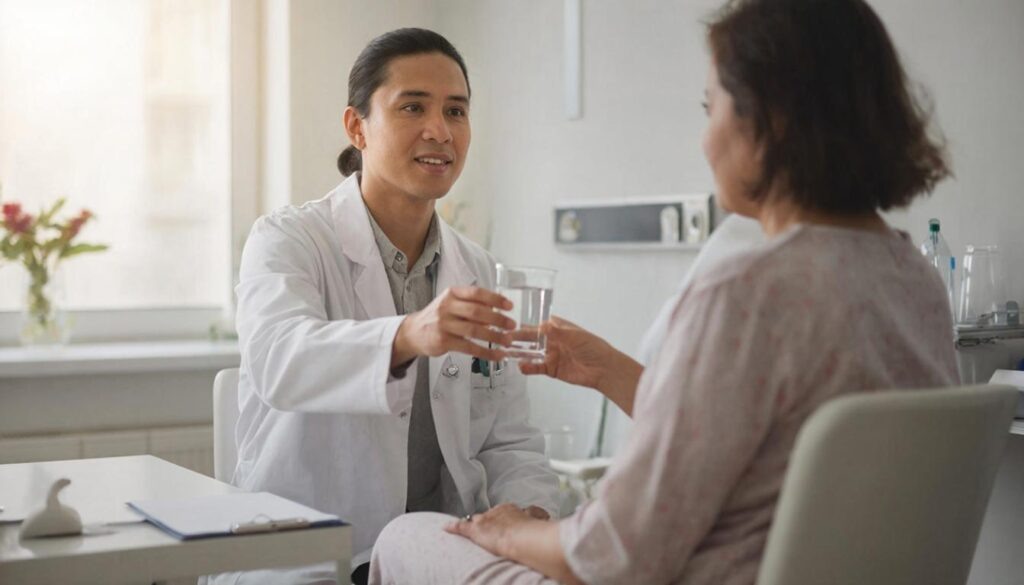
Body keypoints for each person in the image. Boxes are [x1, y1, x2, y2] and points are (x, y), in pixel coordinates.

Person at [368, 0, 958, 583]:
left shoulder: (746, 291)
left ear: (770, 120)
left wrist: (506, 533)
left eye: (710, 108)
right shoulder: (918, 282)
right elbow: (752, 440)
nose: (705, 141)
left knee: (404, 536)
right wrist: (610, 370)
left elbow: (613, 555)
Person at [223, 28, 559, 585]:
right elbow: (277, 360)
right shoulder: (288, 239)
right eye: (412, 107)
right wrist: (407, 335)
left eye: (456, 111)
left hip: (438, 556)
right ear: (357, 127)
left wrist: (529, 514)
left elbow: (509, 440)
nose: (440, 130)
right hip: (314, 556)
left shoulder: (478, 269)